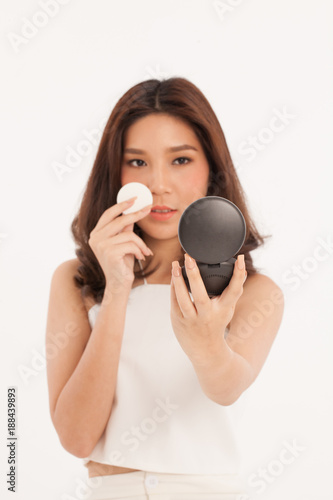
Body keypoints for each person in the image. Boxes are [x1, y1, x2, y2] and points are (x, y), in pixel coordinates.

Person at [45, 77, 284, 499]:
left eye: (180, 160)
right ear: (115, 171)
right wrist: (118, 290)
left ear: (212, 168)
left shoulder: (251, 291)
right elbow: (77, 439)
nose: (158, 184)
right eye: (137, 162)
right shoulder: (76, 282)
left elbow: (225, 388)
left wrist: (207, 341)